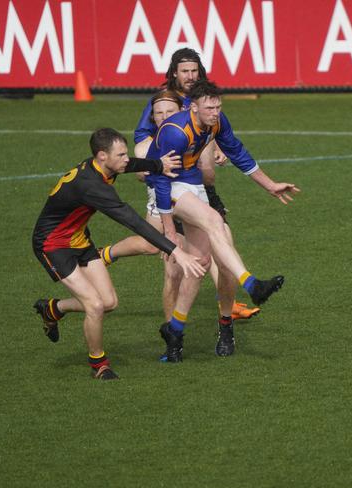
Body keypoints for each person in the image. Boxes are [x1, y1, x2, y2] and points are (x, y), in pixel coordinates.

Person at [99, 48, 259, 321]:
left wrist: (217, 147)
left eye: (194, 70)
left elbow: (215, 131)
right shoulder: (164, 100)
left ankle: (227, 304)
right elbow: (142, 136)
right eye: (185, 71)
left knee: (214, 241)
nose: (190, 75)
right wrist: (152, 163)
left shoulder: (204, 100)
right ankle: (107, 255)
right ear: (174, 73)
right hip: (169, 185)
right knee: (159, 251)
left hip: (198, 186)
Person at [32, 128, 205, 380]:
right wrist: (176, 250)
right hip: (53, 245)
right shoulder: (92, 186)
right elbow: (133, 221)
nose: (127, 159)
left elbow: (130, 165)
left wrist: (157, 165)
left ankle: (53, 309)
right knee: (94, 305)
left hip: (78, 240)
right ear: (102, 156)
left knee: (109, 303)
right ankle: (99, 364)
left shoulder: (105, 167)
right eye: (121, 154)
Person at [147, 79, 300, 362]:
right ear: (193, 107)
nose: (215, 112)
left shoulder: (216, 122)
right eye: (209, 107)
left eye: (218, 106)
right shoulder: (175, 132)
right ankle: (252, 284)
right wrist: (168, 229)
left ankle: (176, 331)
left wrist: (270, 185)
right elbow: (160, 180)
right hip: (170, 191)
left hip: (194, 188)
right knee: (216, 222)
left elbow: (237, 152)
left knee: (201, 264)